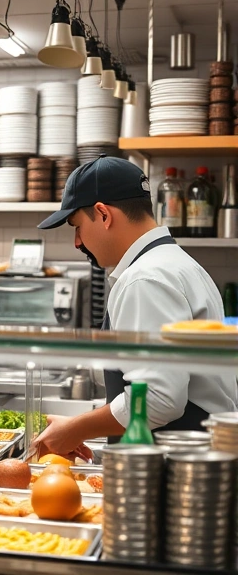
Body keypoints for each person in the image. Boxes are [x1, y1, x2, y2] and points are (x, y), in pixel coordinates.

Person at [31, 156, 237, 458]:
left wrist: (77, 428)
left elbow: (158, 399)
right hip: (190, 461)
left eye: (76, 227)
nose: (77, 242)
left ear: (103, 214)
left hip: (176, 471)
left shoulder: (145, 278)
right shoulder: (175, 264)